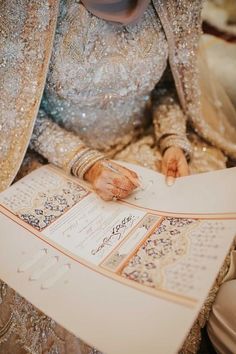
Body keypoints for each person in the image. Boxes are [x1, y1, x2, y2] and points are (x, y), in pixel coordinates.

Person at [0, 0, 236, 353]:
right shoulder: (30, 9)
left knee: (171, 276)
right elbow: (17, 110)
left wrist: (172, 139)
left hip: (145, 147)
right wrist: (86, 163)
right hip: (60, 159)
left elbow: (169, 87)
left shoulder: (172, 6)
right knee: (74, 295)